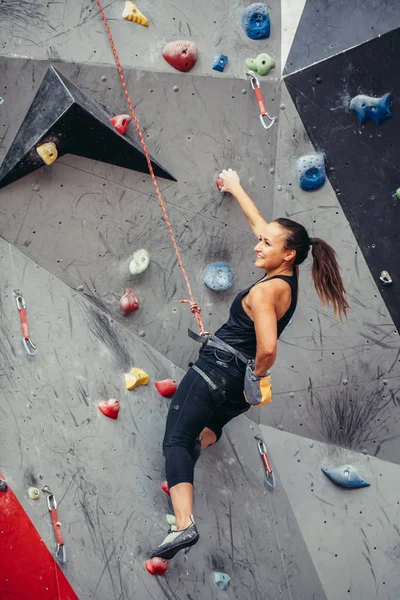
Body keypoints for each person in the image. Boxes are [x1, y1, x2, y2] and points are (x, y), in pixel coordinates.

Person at [151, 168, 349, 560]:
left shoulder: (265, 293)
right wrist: (236, 187)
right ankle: (182, 474)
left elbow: (269, 347)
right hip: (236, 389)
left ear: (287, 253)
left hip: (217, 372)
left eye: (265, 244)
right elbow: (263, 227)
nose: (257, 246)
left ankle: (185, 524)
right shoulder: (286, 278)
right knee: (206, 431)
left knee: (174, 438)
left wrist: (255, 373)